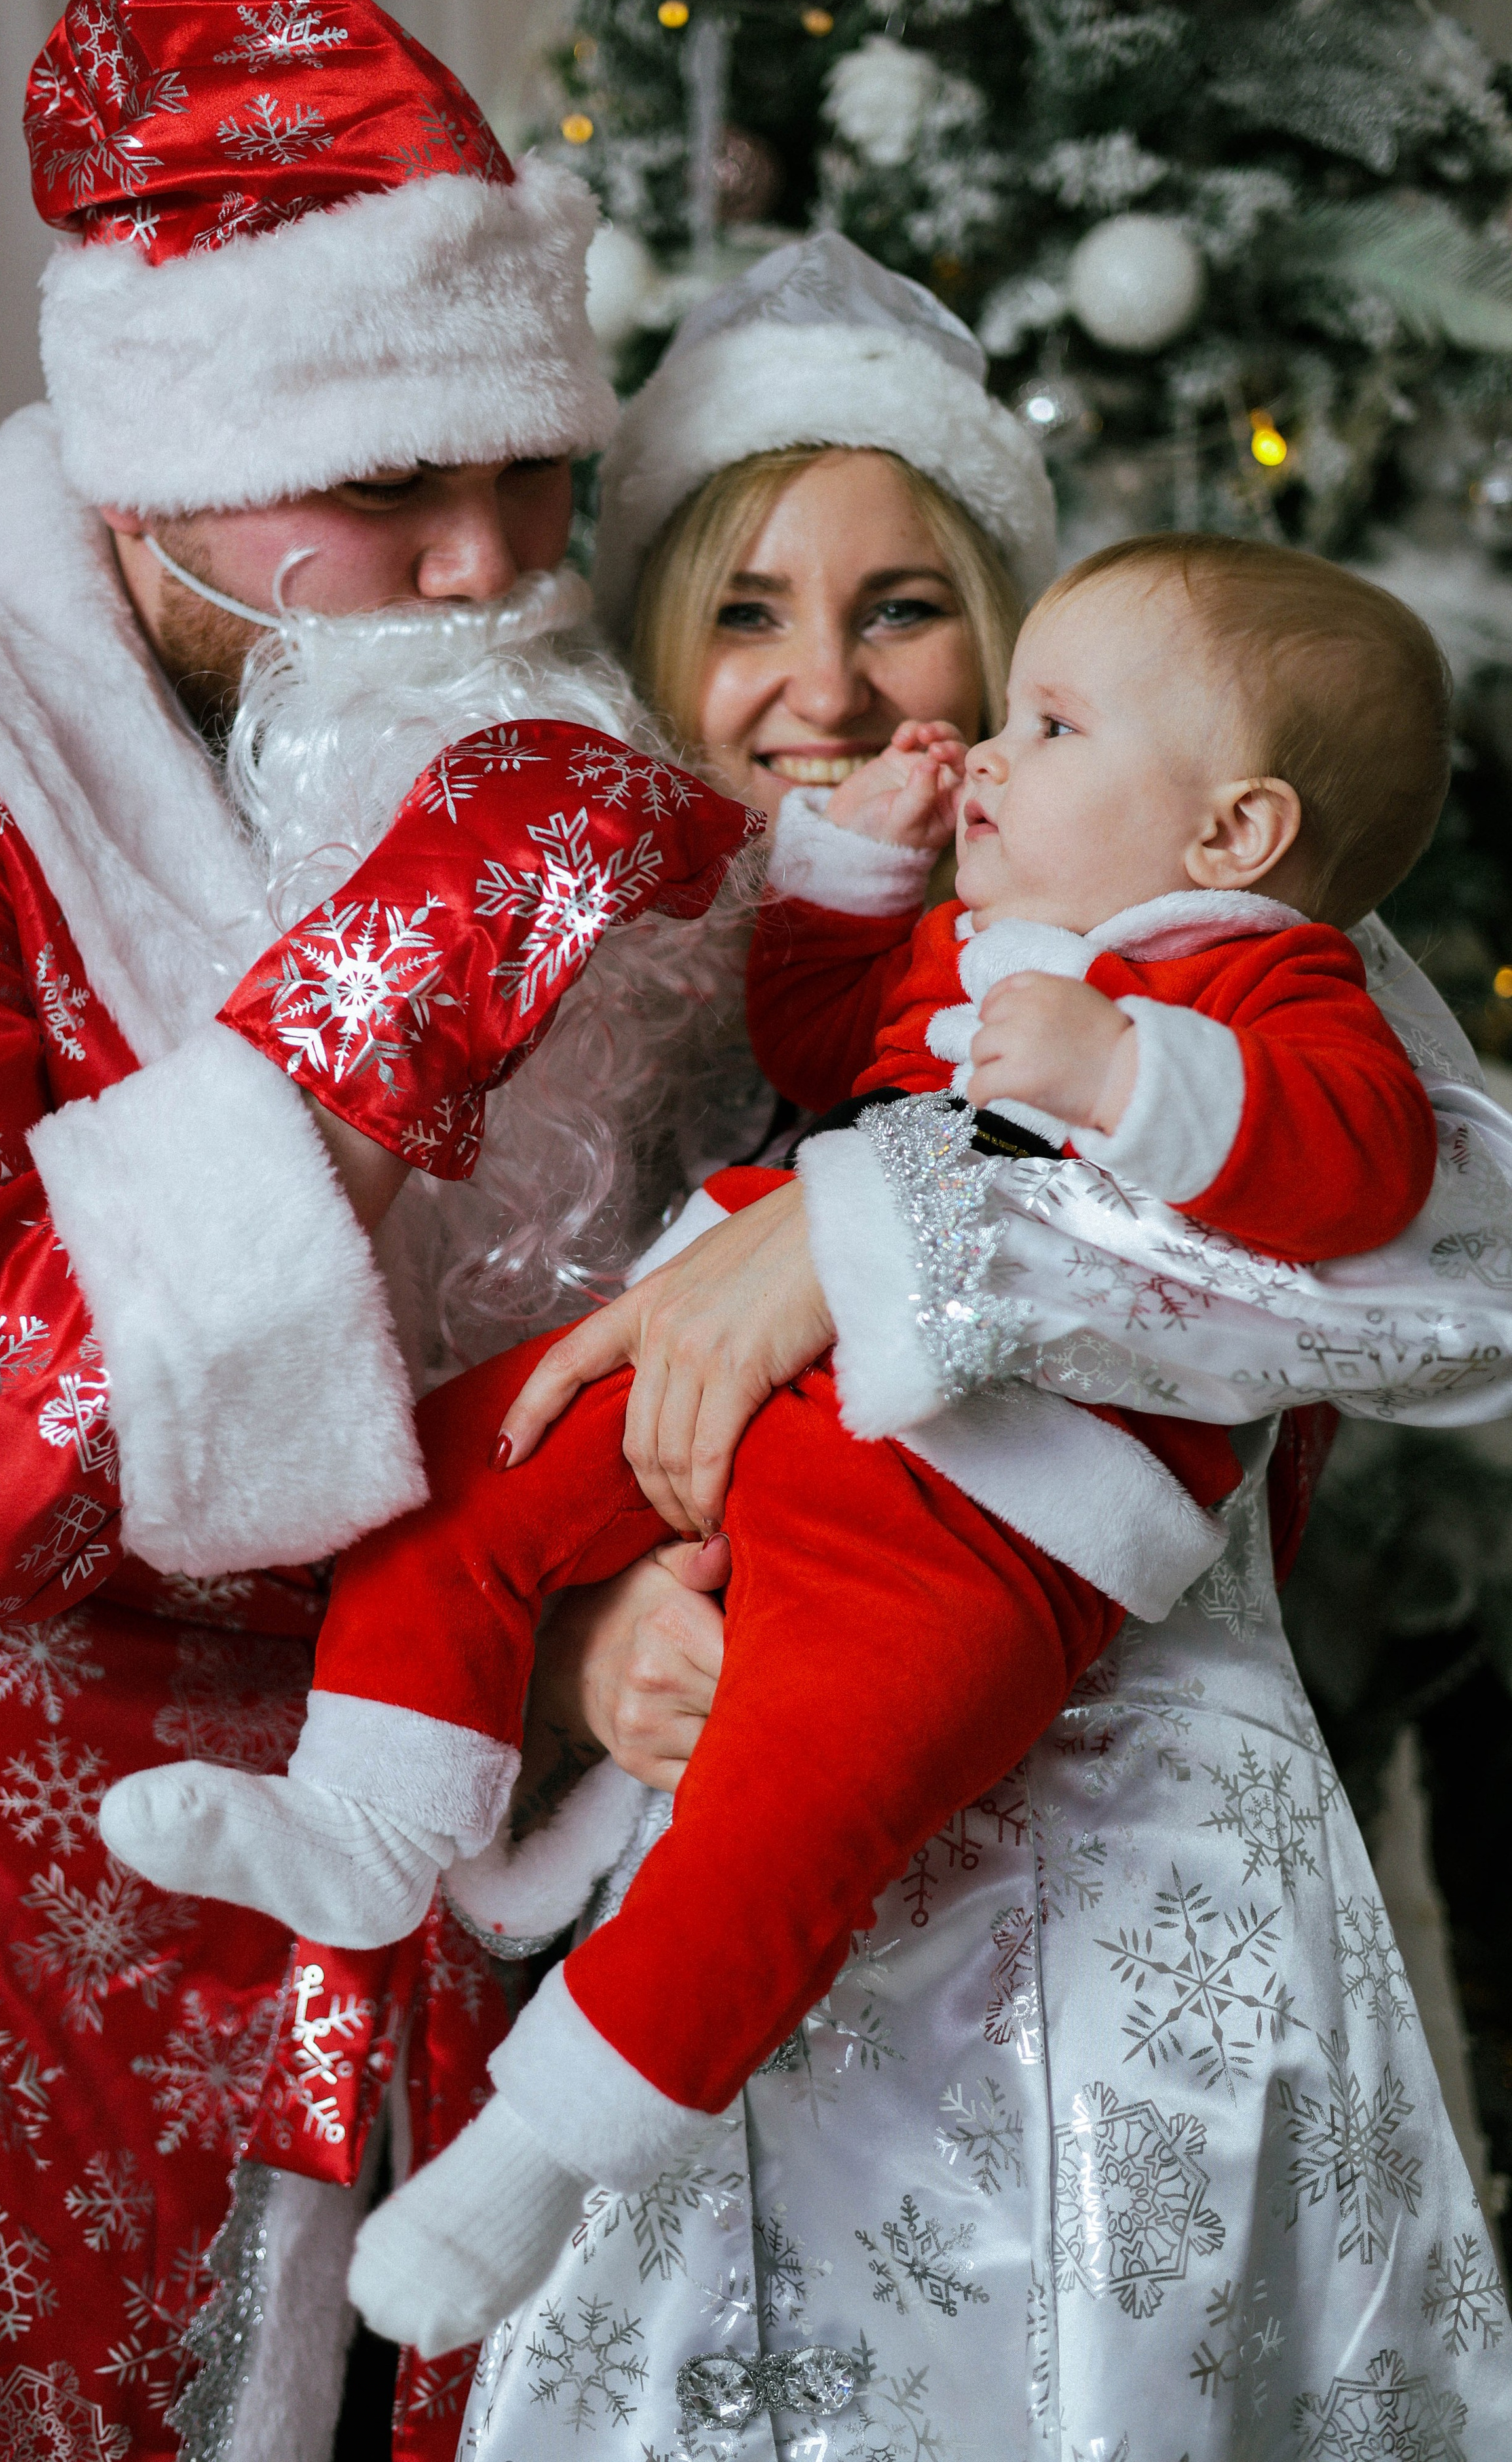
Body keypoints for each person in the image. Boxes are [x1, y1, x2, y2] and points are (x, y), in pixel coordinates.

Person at [336, 239, 1512, 2457]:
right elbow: (436, 1487)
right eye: (748, 609)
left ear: (1007, 629)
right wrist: (584, 1659)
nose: (831, 687)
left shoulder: (1165, 929)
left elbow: (1438, 1251)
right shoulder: (580, 1021)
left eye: (901, 608)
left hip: (1119, 1950)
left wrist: (869, 1233)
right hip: (715, 1974)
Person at [109, 529, 1446, 2360]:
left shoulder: (1251, 977)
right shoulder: (980, 930)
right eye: (750, 608)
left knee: (791, 1807)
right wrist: (853, 868)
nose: (959, 743)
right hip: (731, 1406)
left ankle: (537, 2157)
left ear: (1231, 833)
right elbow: (826, 1028)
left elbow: (1372, 1169)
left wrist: (1124, 1080)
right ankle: (362, 1816)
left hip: (985, 1521)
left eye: (1033, 714)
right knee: (469, 1463)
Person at [0, 0, 757, 2454]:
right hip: (36, 1963)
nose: (484, 570)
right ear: (159, 466)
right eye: (379, 495)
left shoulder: (537, 684)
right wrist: (402, 973)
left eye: (528, 469)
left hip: (503, 1901)